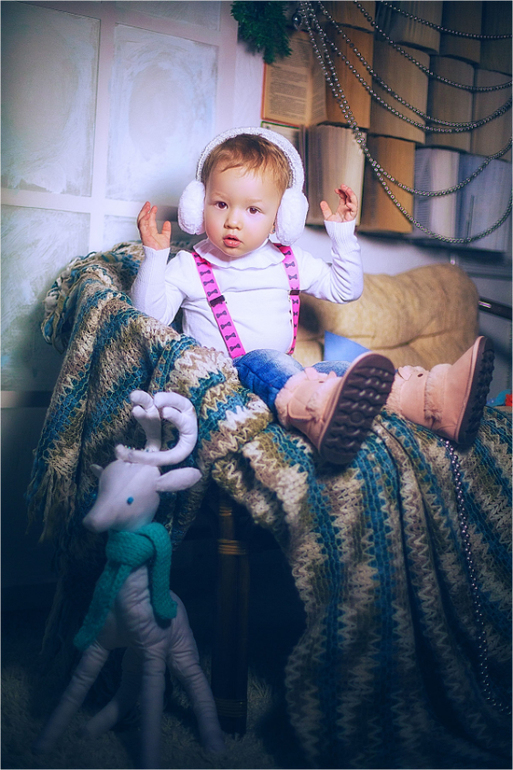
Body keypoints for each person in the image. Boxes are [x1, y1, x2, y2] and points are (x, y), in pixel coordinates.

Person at [131, 126, 494, 465]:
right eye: (221, 204)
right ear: (199, 204)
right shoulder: (189, 265)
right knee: (265, 361)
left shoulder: (290, 261)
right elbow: (149, 316)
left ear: (281, 218)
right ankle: (318, 416)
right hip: (224, 386)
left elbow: (345, 289)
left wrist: (343, 237)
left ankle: (434, 402)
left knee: (339, 374)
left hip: (285, 378)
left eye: (253, 209)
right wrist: (155, 258)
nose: (233, 221)